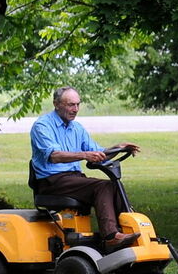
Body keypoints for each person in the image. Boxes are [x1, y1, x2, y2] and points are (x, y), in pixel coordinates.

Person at [30, 87, 142, 250]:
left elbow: (97, 153)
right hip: (52, 181)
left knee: (115, 187)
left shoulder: (77, 128)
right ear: (56, 104)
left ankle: (129, 232)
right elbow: (54, 156)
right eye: (70, 105)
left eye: (77, 105)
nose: (75, 109)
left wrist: (118, 147)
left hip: (73, 178)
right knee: (103, 186)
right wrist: (84, 155)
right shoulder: (42, 126)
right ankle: (111, 237)